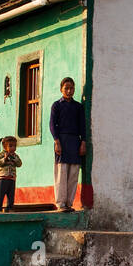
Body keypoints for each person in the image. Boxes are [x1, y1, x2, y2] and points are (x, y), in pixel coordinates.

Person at [49, 77, 86, 211]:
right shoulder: (56, 105)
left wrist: (83, 143)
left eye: (71, 88)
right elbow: (52, 125)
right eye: (66, 88)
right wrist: (57, 141)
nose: (69, 91)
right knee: (61, 173)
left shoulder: (78, 107)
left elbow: (83, 126)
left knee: (73, 173)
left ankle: (69, 203)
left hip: (75, 141)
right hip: (62, 141)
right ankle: (61, 204)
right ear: (61, 89)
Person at [0, 136, 21, 211]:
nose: (13, 148)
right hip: (3, 178)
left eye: (15, 146)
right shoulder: (2, 154)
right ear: (5, 147)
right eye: (10, 146)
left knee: (11, 195)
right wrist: (4, 159)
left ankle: (9, 208)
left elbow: (19, 164)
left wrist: (14, 159)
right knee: (0, 194)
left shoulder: (15, 156)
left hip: (12, 178)